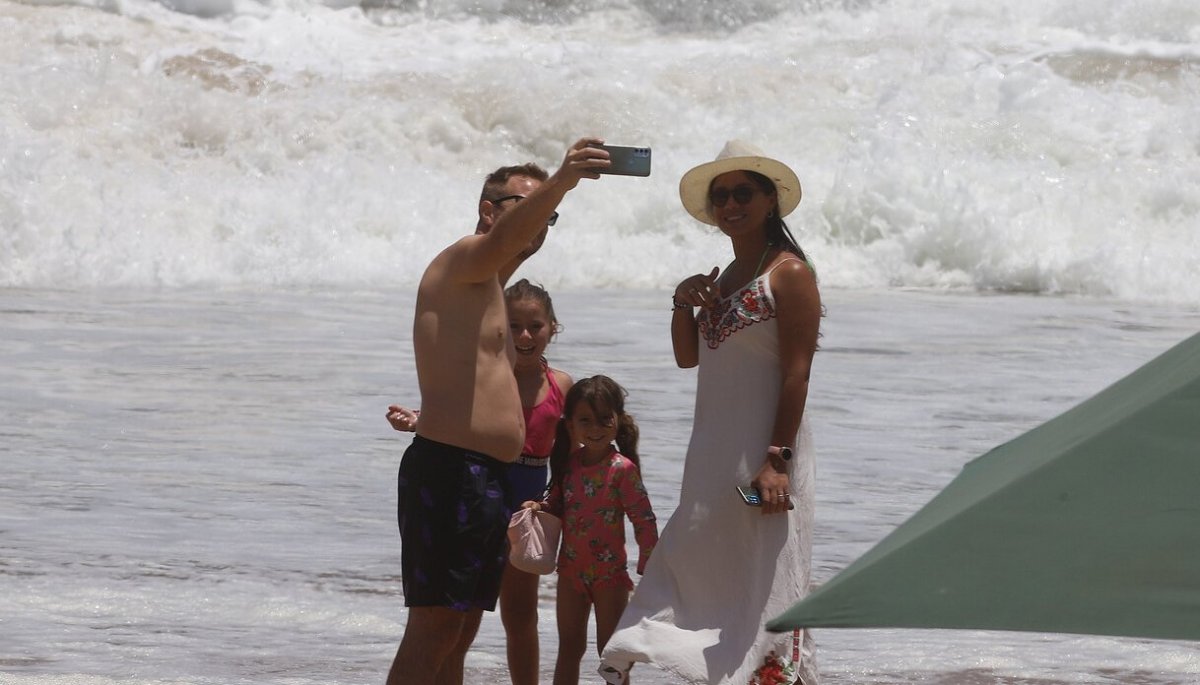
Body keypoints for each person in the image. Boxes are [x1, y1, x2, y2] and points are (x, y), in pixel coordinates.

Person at [386, 138, 611, 685]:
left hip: (486, 477)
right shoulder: (461, 258)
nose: (539, 223)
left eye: (548, 217)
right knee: (436, 628)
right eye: (525, 207)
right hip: (451, 470)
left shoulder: (487, 288)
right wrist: (561, 180)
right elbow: (502, 240)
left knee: (459, 631)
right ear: (489, 211)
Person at [599, 140, 822, 685]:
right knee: (696, 556)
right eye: (720, 196)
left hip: (764, 458)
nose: (730, 204)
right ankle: (639, 649)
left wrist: (776, 460)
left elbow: (797, 372)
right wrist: (682, 302)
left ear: (771, 200)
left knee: (763, 572)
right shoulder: (722, 278)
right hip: (714, 458)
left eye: (742, 192)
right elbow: (687, 357)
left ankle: (767, 673)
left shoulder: (788, 274)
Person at [386, 278, 572, 685]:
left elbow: (570, 454)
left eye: (535, 326)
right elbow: (454, 420)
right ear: (499, 329)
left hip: (529, 514)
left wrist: (558, 503)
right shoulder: (487, 378)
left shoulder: (561, 385)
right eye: (515, 325)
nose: (525, 335)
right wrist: (418, 422)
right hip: (479, 504)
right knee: (461, 620)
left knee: (521, 615)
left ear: (553, 329)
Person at [521, 375, 658, 685]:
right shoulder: (569, 465)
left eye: (603, 419)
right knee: (569, 649)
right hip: (570, 573)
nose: (595, 428)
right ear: (570, 424)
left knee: (611, 656)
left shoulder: (622, 469)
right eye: (585, 420)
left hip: (609, 577)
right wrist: (538, 509)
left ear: (618, 420)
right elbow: (557, 505)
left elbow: (643, 518)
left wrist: (649, 564)